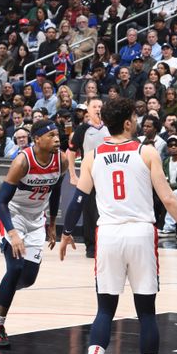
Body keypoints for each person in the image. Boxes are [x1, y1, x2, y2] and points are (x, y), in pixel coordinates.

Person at [58, 97, 177, 354]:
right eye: (135, 118)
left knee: (104, 311)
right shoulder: (146, 151)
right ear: (127, 122)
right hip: (140, 233)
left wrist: (66, 232)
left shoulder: (93, 155)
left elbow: (77, 201)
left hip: (108, 235)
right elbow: (167, 198)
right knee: (147, 313)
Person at [0, 120, 67, 347]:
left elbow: (56, 190)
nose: (57, 139)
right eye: (51, 135)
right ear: (37, 139)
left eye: (57, 134)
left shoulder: (62, 160)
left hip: (36, 219)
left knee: (27, 279)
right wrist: (13, 233)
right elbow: (0, 201)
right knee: (16, 267)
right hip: (13, 215)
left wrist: (52, 222)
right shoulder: (22, 161)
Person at [67, 97, 110, 258]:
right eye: (95, 106)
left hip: (108, 176)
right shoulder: (82, 129)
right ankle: (91, 247)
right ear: (88, 110)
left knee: (106, 211)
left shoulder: (110, 128)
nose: (98, 109)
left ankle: (106, 244)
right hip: (89, 176)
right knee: (90, 212)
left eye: (100, 106)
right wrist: (72, 174)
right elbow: (71, 152)